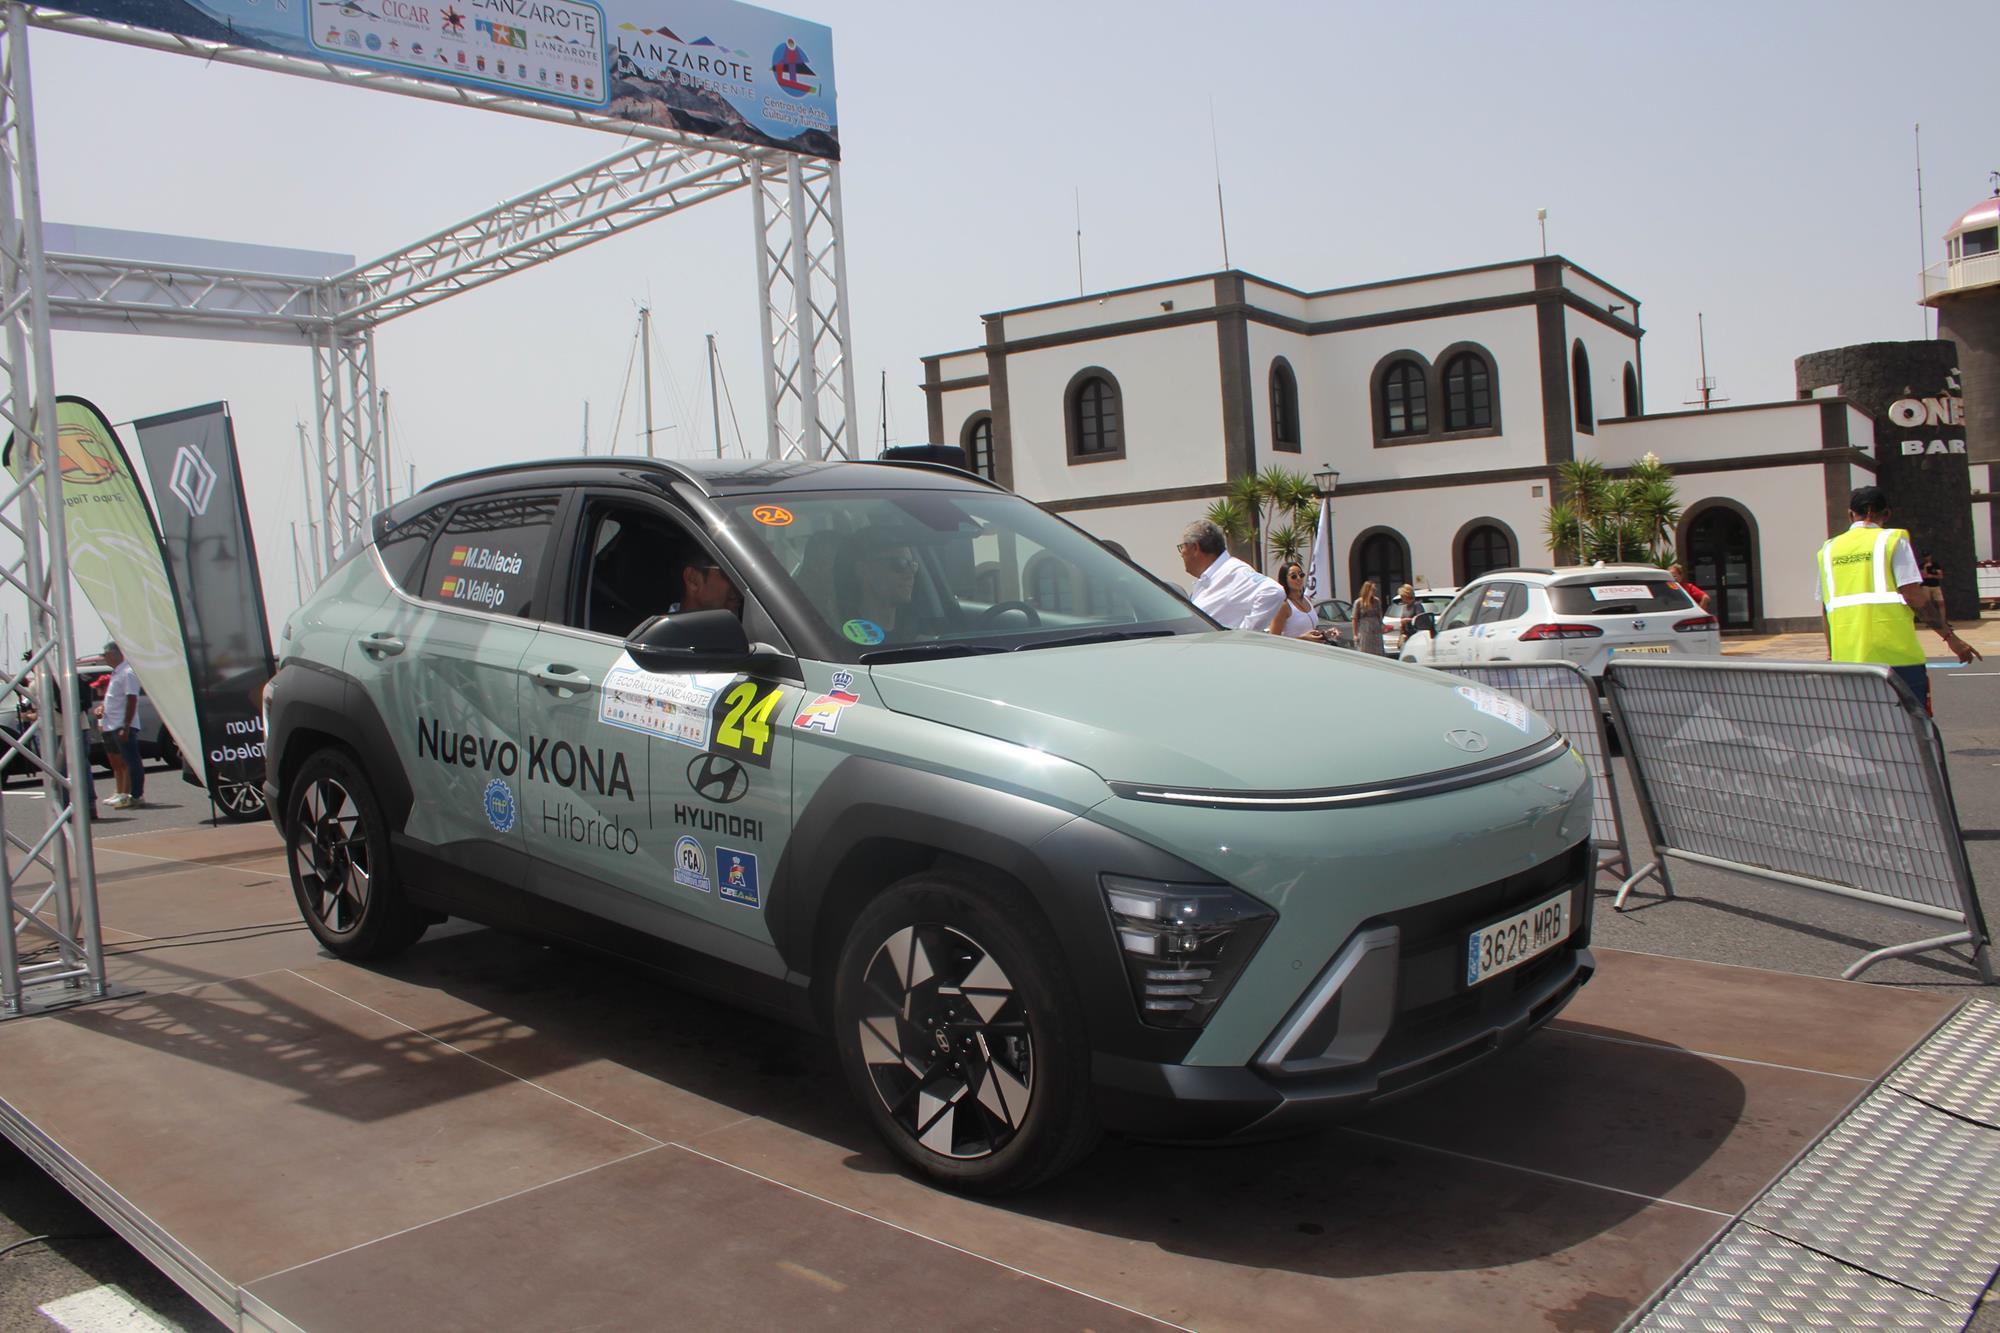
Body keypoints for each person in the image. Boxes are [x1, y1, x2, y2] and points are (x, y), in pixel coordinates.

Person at [1817, 486, 1979, 715]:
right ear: (1886, 514)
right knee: (1910, 729)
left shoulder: (1828, 550)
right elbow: (1913, 595)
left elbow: (1826, 608)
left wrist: (1833, 654)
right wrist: (1950, 638)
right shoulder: (1891, 540)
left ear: (1850, 514)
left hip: (1848, 660)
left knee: (1865, 730)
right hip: (1896, 658)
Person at [1177, 519, 1284, 630]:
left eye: (1182, 547)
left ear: (1195, 547)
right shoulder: (1209, 578)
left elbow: (1274, 591)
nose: (1181, 554)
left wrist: (1245, 633)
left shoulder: (1234, 572)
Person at [100, 642, 144, 808]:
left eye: (107, 654)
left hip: (122, 724)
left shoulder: (127, 673)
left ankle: (136, 795)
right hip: (113, 724)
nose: (105, 658)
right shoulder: (117, 672)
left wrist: (126, 726)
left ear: (117, 654)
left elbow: (131, 699)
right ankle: (126, 794)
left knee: (131, 761)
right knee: (123, 760)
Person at [1266, 560, 1326, 641]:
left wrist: (1325, 634)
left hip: (1313, 651)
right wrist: (1302, 639)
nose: (1299, 578)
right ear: (1285, 580)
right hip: (1294, 652)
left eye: (1301, 575)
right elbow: (1273, 640)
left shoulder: (1307, 599)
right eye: (1293, 576)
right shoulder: (1284, 606)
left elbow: (1310, 630)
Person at [668, 558, 743, 617]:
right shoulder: (664, 635)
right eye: (730, 573)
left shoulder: (743, 632)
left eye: (742, 575)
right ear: (693, 579)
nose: (741, 584)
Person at [1351, 580, 1385, 655]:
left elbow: (1379, 615)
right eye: (1372, 590)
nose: (1374, 592)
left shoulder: (1377, 601)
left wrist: (1381, 625)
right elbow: (1354, 619)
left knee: (1378, 652)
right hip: (1365, 631)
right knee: (1365, 651)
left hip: (1376, 631)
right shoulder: (1359, 602)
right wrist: (1355, 634)